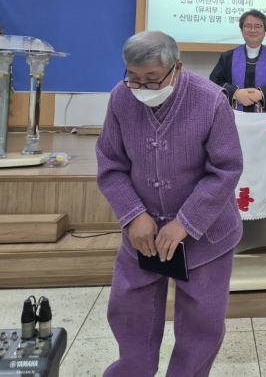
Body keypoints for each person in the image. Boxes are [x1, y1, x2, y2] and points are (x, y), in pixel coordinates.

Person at [97, 31, 244, 377]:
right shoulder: (121, 97)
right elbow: (110, 164)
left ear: (176, 68)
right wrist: (133, 215)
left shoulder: (210, 100)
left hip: (206, 236)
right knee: (129, 312)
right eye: (134, 78)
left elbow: (226, 170)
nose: (142, 87)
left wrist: (186, 223)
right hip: (142, 234)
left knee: (202, 321)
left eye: (152, 79)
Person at [209, 9, 266, 112]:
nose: (253, 30)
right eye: (248, 26)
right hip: (233, 117)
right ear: (242, 30)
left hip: (265, 118)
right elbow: (214, 83)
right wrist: (235, 93)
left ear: (265, 31)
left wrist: (262, 94)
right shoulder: (227, 57)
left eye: (258, 26)